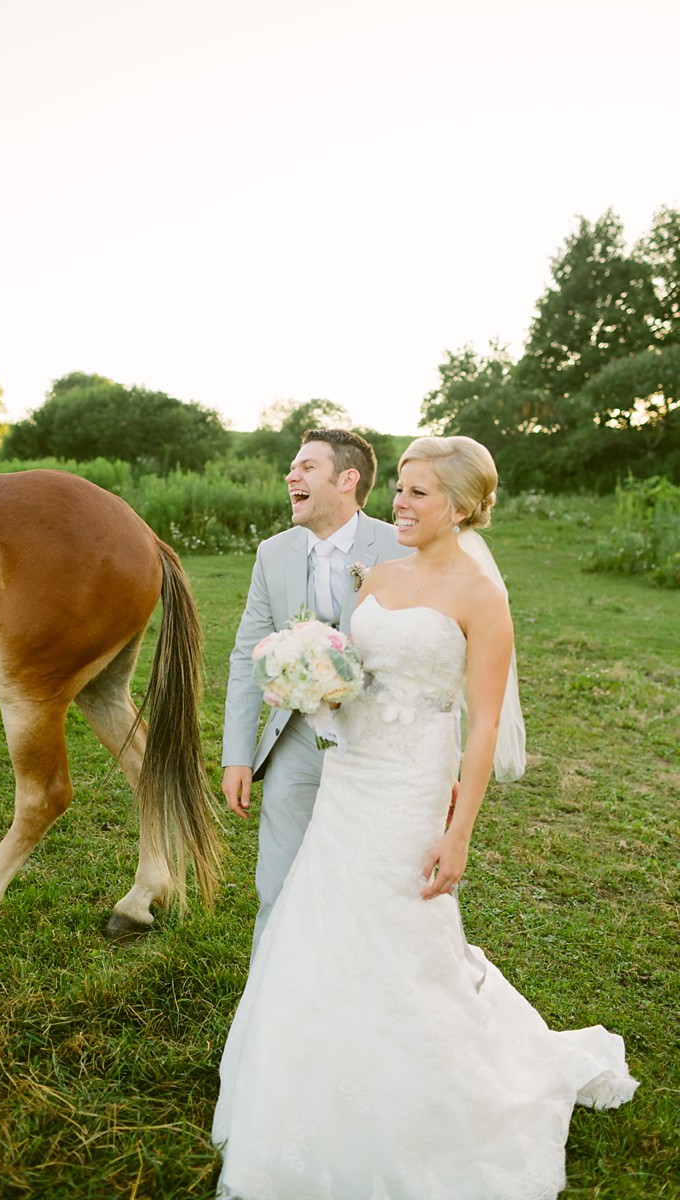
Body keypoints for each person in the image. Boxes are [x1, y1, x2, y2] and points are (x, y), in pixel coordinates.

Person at [213, 435, 637, 1200]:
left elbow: (479, 724)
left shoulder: (481, 596)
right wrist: (313, 674)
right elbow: (358, 670)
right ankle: (308, 1085)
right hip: (349, 777)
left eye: (418, 494)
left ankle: (432, 1094)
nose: (400, 505)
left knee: (403, 937)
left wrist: (459, 827)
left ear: (464, 507)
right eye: (400, 490)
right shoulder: (378, 574)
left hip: (411, 788)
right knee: (319, 926)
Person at [222, 428, 411, 955]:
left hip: (379, 736)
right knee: (276, 882)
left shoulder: (399, 545)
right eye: (292, 467)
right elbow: (245, 654)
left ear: (347, 480)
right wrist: (236, 756)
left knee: (378, 877)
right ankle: (272, 1000)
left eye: (306, 467)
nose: (291, 475)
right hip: (297, 733)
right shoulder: (273, 553)